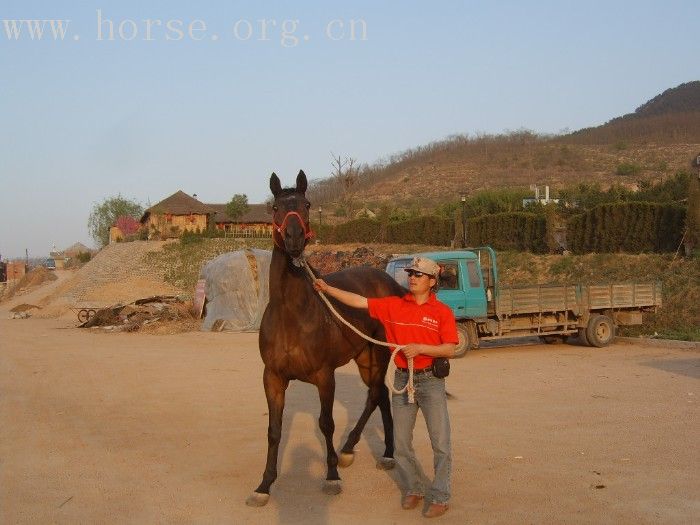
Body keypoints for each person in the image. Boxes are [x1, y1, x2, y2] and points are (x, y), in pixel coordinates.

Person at [313, 256, 458, 518]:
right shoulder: (393, 306)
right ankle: (415, 487)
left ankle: (440, 495)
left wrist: (422, 349)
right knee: (401, 444)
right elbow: (360, 301)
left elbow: (450, 347)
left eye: (418, 274)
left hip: (430, 381)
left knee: (440, 443)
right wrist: (327, 289)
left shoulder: (442, 313)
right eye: (411, 273)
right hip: (402, 380)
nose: (412, 278)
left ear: (432, 281)